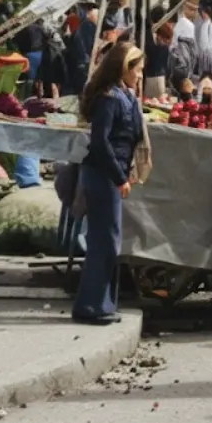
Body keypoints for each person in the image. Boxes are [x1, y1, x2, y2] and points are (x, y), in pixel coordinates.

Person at [74, 42, 151, 326]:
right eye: (137, 70)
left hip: (111, 173)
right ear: (123, 68)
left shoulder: (125, 96)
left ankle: (102, 304)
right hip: (103, 175)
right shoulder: (109, 98)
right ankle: (91, 306)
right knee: (104, 242)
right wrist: (120, 178)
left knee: (109, 241)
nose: (140, 76)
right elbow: (101, 143)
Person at [144, 22, 174, 100]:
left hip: (157, 78)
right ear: (158, 35)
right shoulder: (150, 45)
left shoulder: (162, 48)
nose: (165, 43)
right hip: (154, 78)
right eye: (164, 40)